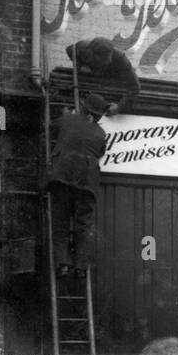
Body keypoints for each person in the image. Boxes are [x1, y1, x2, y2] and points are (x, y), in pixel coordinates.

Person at [46, 93, 108, 279]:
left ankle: (63, 265)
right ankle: (81, 267)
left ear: (84, 108)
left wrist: (66, 115)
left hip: (63, 177)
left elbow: (50, 128)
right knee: (84, 226)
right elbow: (100, 151)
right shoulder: (101, 133)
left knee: (61, 223)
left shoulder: (68, 119)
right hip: (87, 183)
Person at [66, 37, 140, 116]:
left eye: (110, 55)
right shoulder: (82, 49)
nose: (109, 60)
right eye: (104, 57)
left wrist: (119, 107)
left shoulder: (120, 58)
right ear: (93, 54)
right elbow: (69, 50)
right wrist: (80, 65)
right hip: (89, 78)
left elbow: (135, 86)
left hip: (111, 79)